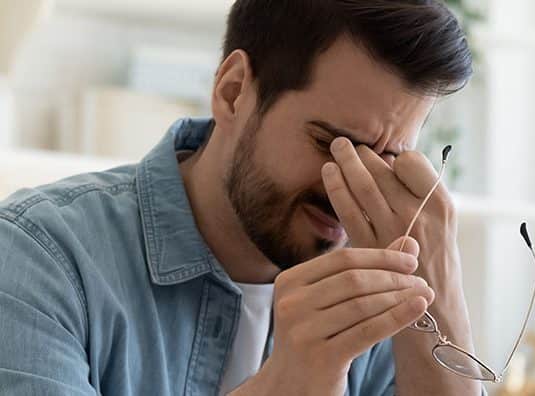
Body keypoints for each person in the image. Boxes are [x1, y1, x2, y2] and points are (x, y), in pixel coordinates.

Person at [0, 1, 483, 394]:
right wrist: (287, 384)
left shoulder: (389, 297)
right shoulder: (37, 259)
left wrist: (443, 303)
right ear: (232, 92)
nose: (353, 188)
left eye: (388, 159)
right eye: (330, 144)